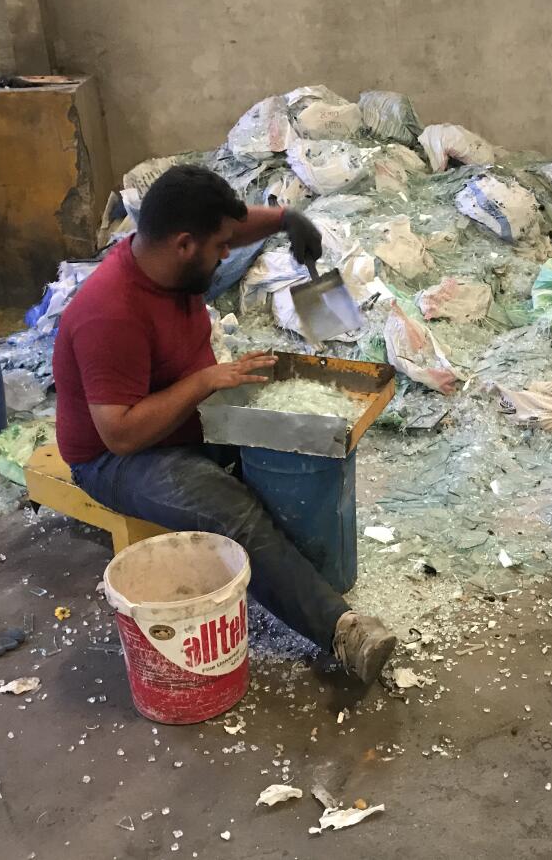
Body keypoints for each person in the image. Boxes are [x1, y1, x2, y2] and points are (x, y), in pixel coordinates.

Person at [53, 165, 397, 683]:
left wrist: (287, 218)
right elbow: (119, 434)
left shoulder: (172, 260)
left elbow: (233, 227)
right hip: (122, 457)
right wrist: (206, 381)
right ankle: (342, 632)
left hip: (193, 420)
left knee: (297, 446)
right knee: (230, 510)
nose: (226, 256)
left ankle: (304, 575)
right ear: (185, 245)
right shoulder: (111, 313)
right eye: (219, 249)